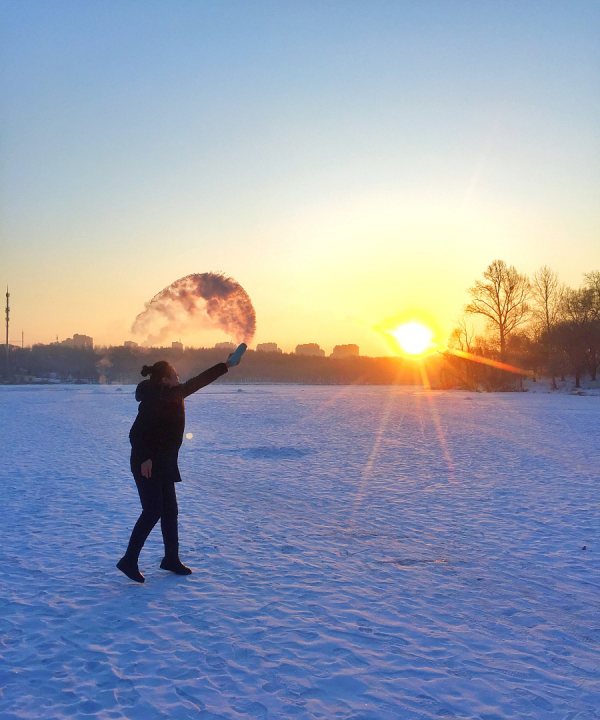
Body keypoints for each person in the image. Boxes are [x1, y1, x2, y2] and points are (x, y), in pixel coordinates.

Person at [117, 344, 246, 583]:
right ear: (165, 379)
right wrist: (145, 458)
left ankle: (170, 559)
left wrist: (226, 365)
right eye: (175, 374)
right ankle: (129, 560)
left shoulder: (173, 393)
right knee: (153, 510)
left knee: (170, 511)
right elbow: (136, 434)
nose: (179, 377)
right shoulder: (153, 399)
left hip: (164, 462)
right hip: (146, 463)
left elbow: (200, 380)